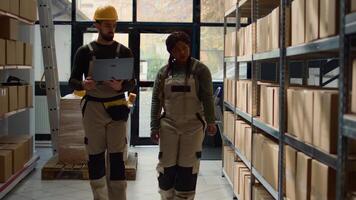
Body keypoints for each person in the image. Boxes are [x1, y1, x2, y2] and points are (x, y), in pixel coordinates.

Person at [68, 5, 135, 200]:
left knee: (117, 157)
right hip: (93, 107)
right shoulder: (84, 51)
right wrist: (83, 84)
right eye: (107, 25)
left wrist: (120, 87)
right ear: (96, 25)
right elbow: (72, 80)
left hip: (117, 107)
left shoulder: (124, 52)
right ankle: (100, 197)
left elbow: (133, 82)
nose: (111, 29)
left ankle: (118, 197)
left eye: (114, 25)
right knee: (95, 156)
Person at [150, 31, 217, 200]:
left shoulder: (200, 70)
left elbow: (207, 97)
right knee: (167, 166)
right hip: (169, 125)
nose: (182, 52)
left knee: (188, 167)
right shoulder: (163, 73)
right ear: (171, 52)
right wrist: (153, 126)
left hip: (193, 126)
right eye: (177, 49)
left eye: (185, 48)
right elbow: (156, 101)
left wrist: (211, 121)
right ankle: (166, 196)